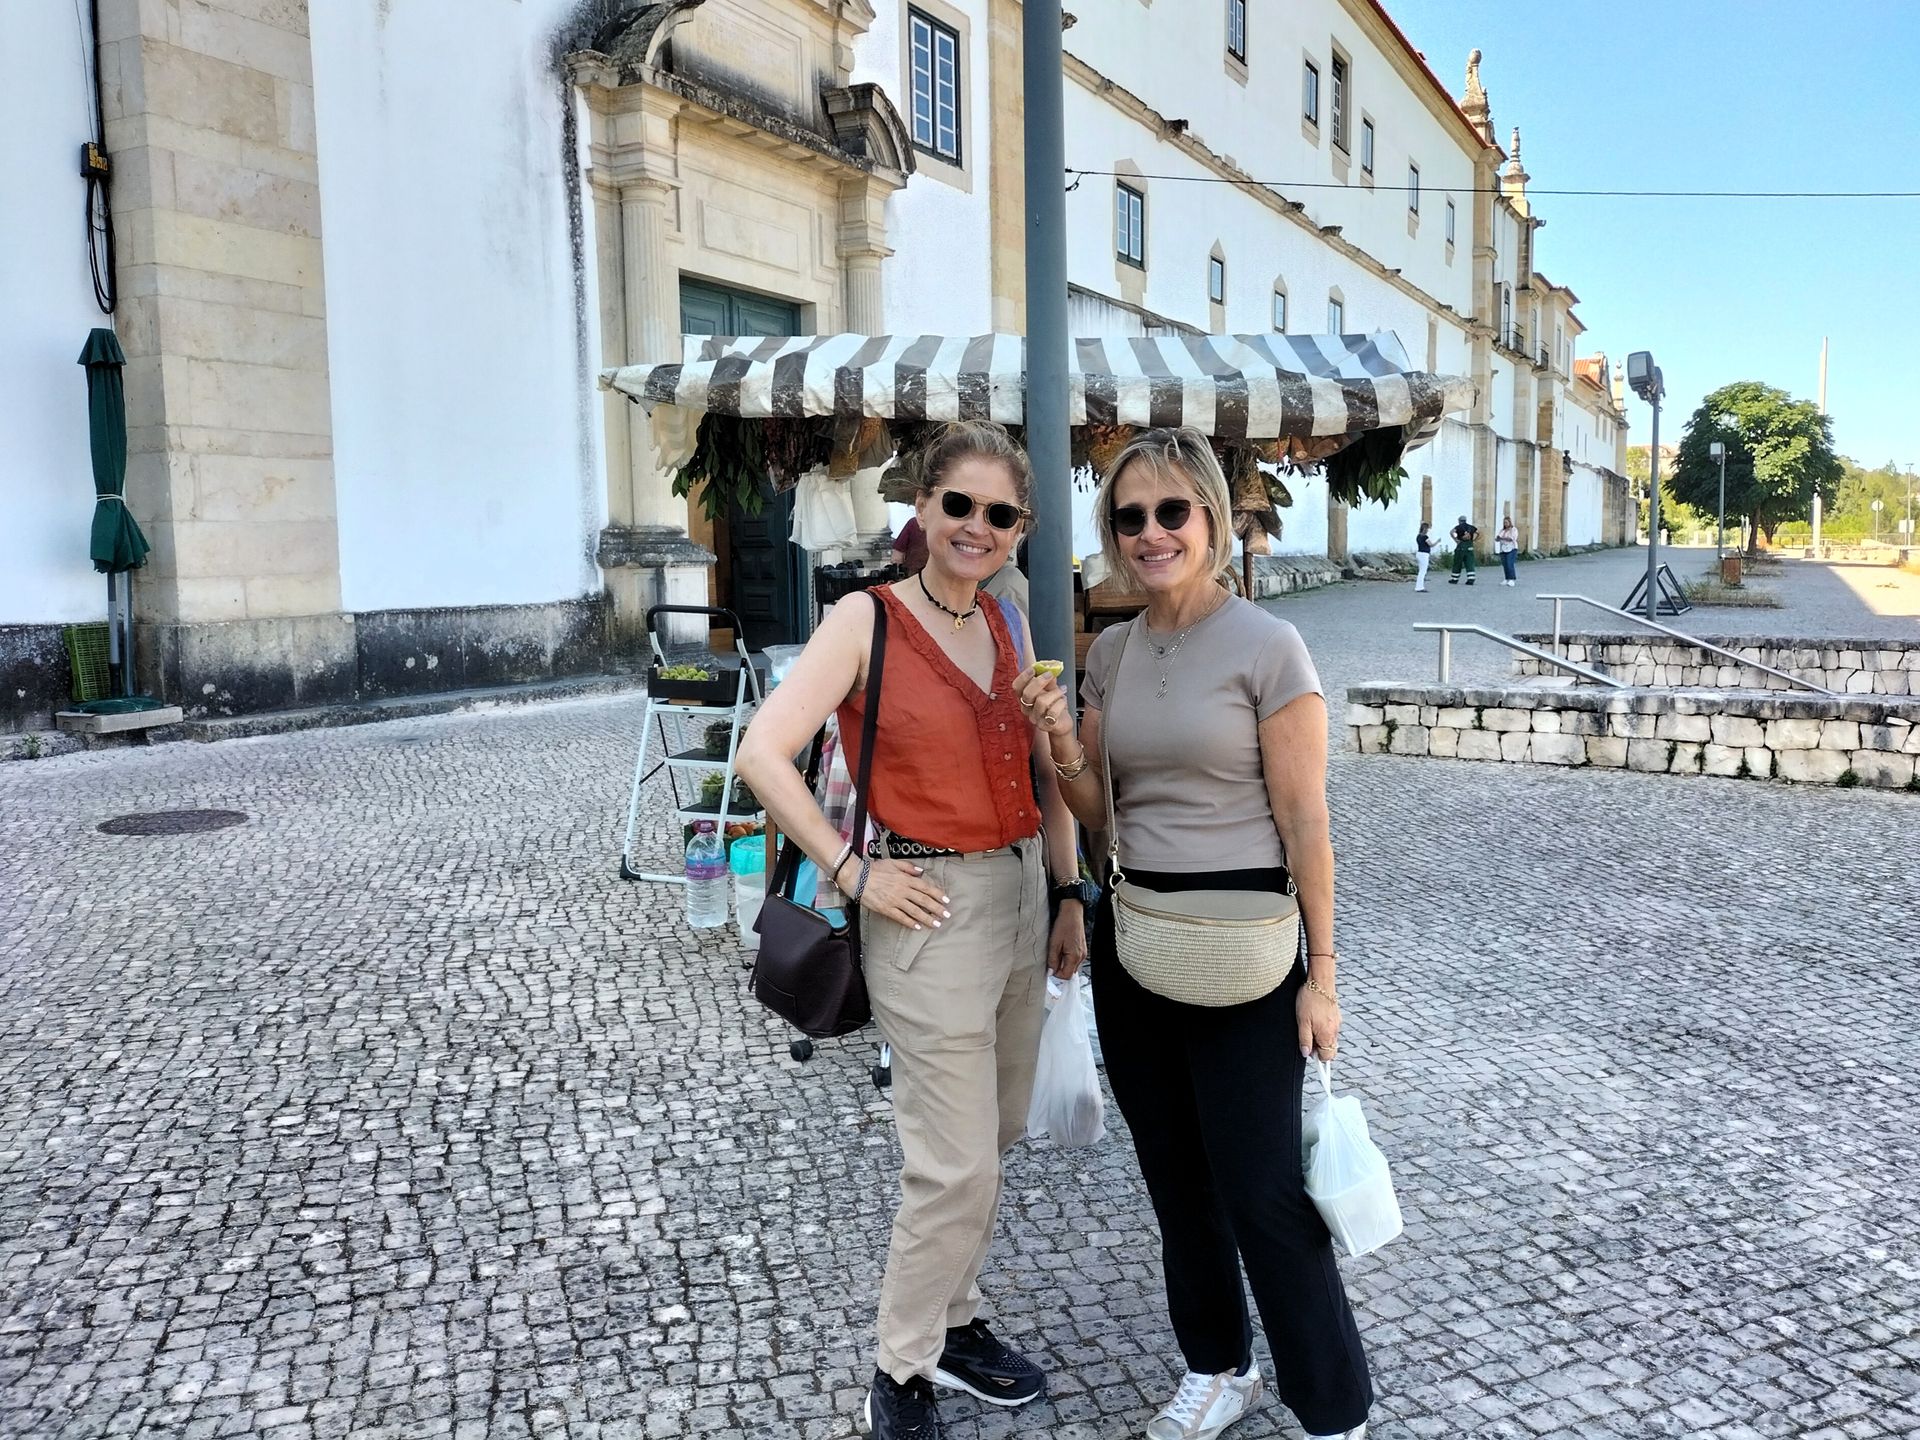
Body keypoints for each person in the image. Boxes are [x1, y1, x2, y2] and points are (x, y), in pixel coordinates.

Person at [1018, 427, 1372, 1440]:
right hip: (1139, 936)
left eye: (1172, 512)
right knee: (1177, 1179)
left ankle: (1334, 1406)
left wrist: (1326, 976)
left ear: (1214, 519)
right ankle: (1218, 1365)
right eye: (1130, 517)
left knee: (1262, 1189)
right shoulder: (1114, 652)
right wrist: (1058, 740)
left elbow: (1308, 824)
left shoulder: (1269, 646)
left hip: (1248, 945)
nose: (1151, 533)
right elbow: (1094, 809)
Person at [737, 420, 1088, 1440]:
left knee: (999, 1130)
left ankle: (961, 1320)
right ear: (923, 510)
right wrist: (852, 870)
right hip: (926, 907)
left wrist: (1067, 894)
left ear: (1019, 528)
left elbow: (1047, 779)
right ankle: (900, 1369)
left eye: (1000, 514)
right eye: (959, 506)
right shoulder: (866, 619)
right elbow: (764, 752)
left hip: (1023, 896)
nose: (976, 528)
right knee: (955, 1163)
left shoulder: (1013, 624)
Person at [1448, 514, 1478, 585]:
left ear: (1459, 521)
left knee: (1457, 563)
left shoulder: (1458, 527)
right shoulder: (1471, 527)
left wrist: (1456, 540)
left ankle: (1455, 579)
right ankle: (1471, 579)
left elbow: (1451, 532)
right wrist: (1474, 540)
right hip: (1470, 546)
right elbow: (1478, 533)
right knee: (1469, 563)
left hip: (1461, 546)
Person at [1494, 514, 1520, 587]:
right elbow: (1498, 538)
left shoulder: (1513, 530)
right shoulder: (1502, 530)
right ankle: (1506, 578)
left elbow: (1511, 538)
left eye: (1506, 522)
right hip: (1503, 549)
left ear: (1510, 522)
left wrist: (1502, 538)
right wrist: (1498, 538)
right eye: (1504, 522)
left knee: (1509, 563)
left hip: (1511, 548)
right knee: (1505, 564)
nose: (1505, 524)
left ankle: (1512, 579)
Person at [1413, 522, 1435, 592]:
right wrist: (1437, 541)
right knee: (1423, 571)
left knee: (1421, 571)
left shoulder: (1418, 536)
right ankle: (1419, 587)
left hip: (1419, 553)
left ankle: (1418, 586)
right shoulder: (1425, 537)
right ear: (1425, 529)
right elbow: (1431, 545)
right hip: (1424, 554)